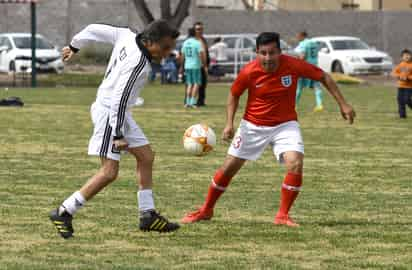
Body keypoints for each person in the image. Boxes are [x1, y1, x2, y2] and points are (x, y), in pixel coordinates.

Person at [181, 32, 356, 227]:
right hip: (253, 125)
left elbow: (324, 76)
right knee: (228, 168)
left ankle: (282, 215)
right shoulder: (249, 71)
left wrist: (344, 104)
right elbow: (234, 95)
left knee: (295, 163)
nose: (268, 58)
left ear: (280, 52)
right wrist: (229, 123)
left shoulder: (293, 65)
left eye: (272, 53)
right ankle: (206, 210)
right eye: (263, 53)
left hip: (285, 125)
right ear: (257, 52)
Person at [49, 20, 181, 239]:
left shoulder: (127, 35)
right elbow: (118, 100)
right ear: (149, 42)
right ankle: (64, 211)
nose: (168, 52)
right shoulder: (138, 63)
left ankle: (147, 215)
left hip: (118, 113)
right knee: (109, 172)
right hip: (110, 114)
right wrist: (118, 133)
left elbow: (92, 28)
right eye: (165, 47)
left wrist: (74, 45)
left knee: (146, 156)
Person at [295, 31, 324, 112]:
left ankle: (294, 106)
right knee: (316, 86)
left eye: (298, 36)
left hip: (305, 67)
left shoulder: (303, 44)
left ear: (302, 36)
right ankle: (319, 105)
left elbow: (303, 56)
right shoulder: (314, 43)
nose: (297, 38)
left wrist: (297, 63)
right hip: (314, 66)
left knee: (299, 87)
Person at [180, 27, 205, 107]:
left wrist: (182, 66)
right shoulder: (197, 43)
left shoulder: (185, 42)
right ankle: (193, 102)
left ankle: (187, 102)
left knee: (189, 84)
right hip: (196, 65)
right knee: (196, 83)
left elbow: (183, 55)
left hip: (187, 65)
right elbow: (201, 54)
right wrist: (203, 64)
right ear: (195, 33)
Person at [391, 49, 412, 118]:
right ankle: (402, 115)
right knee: (400, 100)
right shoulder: (400, 65)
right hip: (401, 86)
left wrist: (408, 77)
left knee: (407, 100)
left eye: (408, 55)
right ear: (402, 57)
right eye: (405, 55)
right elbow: (393, 73)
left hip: (409, 87)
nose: (406, 56)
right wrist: (399, 76)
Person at [194, 22, 210, 107]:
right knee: (195, 84)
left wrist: (207, 64)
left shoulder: (203, 39)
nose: (200, 31)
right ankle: (190, 101)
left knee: (203, 84)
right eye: (198, 29)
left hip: (203, 65)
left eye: (201, 29)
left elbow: (206, 53)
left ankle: (201, 101)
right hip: (195, 65)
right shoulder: (192, 40)